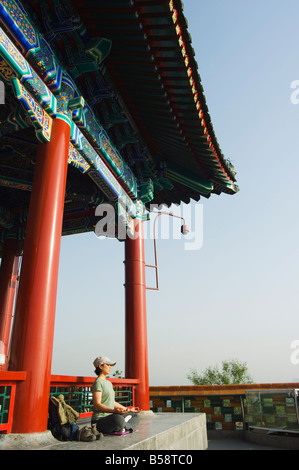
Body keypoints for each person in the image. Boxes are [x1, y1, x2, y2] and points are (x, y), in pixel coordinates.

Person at [91, 355, 140, 434]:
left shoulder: (109, 383)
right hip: (100, 420)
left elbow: (112, 402)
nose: (110, 367)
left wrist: (128, 409)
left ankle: (122, 427)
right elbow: (97, 404)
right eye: (108, 365)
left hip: (111, 416)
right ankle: (125, 427)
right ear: (100, 366)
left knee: (135, 416)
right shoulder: (98, 382)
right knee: (118, 419)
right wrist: (113, 411)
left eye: (110, 365)